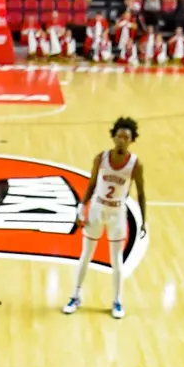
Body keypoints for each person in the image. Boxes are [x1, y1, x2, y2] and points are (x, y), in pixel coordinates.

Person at [63, 115, 147, 321]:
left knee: (117, 260)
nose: (121, 140)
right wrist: (81, 207)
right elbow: (91, 185)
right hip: (97, 209)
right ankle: (75, 295)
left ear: (131, 140)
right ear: (113, 137)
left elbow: (142, 193)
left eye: (126, 137)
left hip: (117, 213)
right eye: (119, 136)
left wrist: (144, 220)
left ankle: (117, 300)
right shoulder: (100, 158)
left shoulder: (135, 164)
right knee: (86, 255)